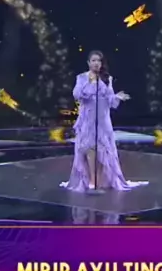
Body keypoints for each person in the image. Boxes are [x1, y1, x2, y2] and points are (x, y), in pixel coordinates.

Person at [60, 50, 148, 191]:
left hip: (103, 119)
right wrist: (90, 82)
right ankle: (91, 179)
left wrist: (117, 97)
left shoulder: (107, 79)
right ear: (89, 63)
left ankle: (99, 180)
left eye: (99, 61)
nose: (96, 63)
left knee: (103, 150)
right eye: (94, 60)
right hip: (87, 119)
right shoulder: (82, 78)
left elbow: (110, 101)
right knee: (89, 148)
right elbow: (77, 94)